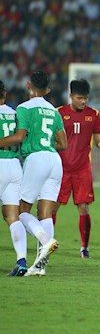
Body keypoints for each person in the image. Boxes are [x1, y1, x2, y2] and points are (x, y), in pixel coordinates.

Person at [0, 71, 67, 277]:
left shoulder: (24, 107)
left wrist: (34, 143)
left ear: (29, 85)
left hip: (36, 159)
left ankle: (46, 241)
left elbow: (19, 136)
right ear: (47, 89)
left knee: (22, 211)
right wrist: (44, 142)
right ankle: (40, 265)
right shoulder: (54, 111)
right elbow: (63, 144)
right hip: (54, 160)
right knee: (45, 213)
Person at [51, 79, 100, 259]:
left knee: (84, 208)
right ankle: (46, 242)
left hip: (82, 169)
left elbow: (98, 141)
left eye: (86, 98)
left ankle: (84, 248)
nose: (83, 102)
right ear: (71, 96)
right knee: (53, 207)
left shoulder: (94, 114)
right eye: (80, 98)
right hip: (61, 169)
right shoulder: (58, 113)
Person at [0, 80, 29, 276]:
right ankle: (21, 261)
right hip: (14, 166)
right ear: (5, 94)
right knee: (12, 216)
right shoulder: (15, 113)